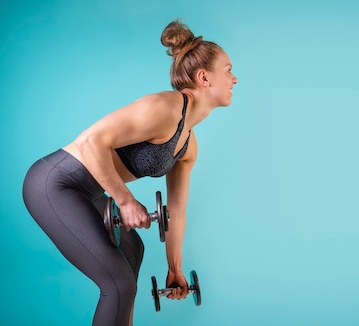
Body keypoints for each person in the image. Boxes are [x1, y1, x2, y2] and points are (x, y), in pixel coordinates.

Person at [22, 20, 237, 326]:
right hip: (53, 184)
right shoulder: (165, 107)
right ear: (204, 77)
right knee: (118, 285)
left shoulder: (188, 145)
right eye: (228, 69)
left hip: (88, 192)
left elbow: (176, 210)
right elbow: (91, 141)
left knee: (133, 250)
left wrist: (175, 268)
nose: (235, 78)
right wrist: (125, 200)